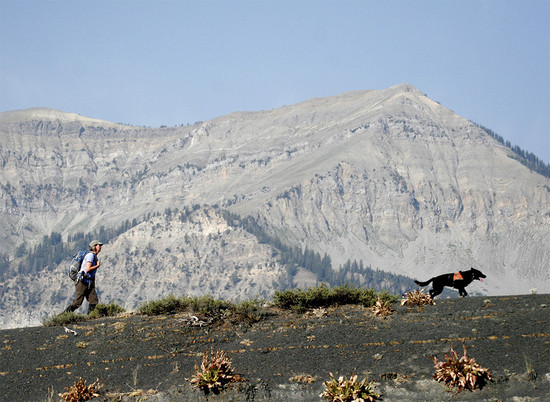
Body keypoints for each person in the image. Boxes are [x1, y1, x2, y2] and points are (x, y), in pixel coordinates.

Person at [64, 240, 103, 314]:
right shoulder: (90, 256)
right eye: (99, 245)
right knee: (77, 302)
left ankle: (90, 318)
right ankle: (61, 317)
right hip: (82, 281)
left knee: (93, 301)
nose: (100, 247)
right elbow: (87, 269)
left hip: (88, 282)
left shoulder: (94, 256)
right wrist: (97, 266)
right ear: (94, 246)